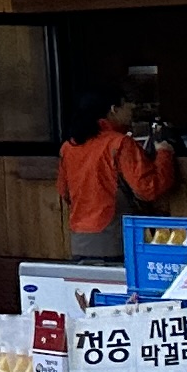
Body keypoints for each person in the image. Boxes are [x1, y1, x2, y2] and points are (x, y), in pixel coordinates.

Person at [60, 93, 176, 262]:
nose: (132, 113)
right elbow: (148, 188)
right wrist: (164, 153)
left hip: (80, 241)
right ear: (114, 109)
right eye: (129, 107)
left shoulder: (68, 147)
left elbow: (65, 193)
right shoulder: (119, 143)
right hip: (116, 240)